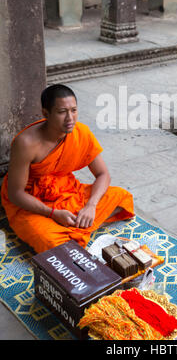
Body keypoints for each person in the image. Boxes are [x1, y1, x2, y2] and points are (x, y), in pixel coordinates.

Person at [0, 84, 134, 254]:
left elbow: (103, 174)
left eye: (74, 110)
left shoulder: (81, 132)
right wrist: (53, 213)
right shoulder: (26, 143)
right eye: (62, 112)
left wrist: (91, 206)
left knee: (122, 197)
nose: (70, 118)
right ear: (46, 113)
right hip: (33, 202)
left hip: (65, 190)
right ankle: (77, 228)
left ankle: (76, 227)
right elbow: (16, 194)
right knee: (52, 242)